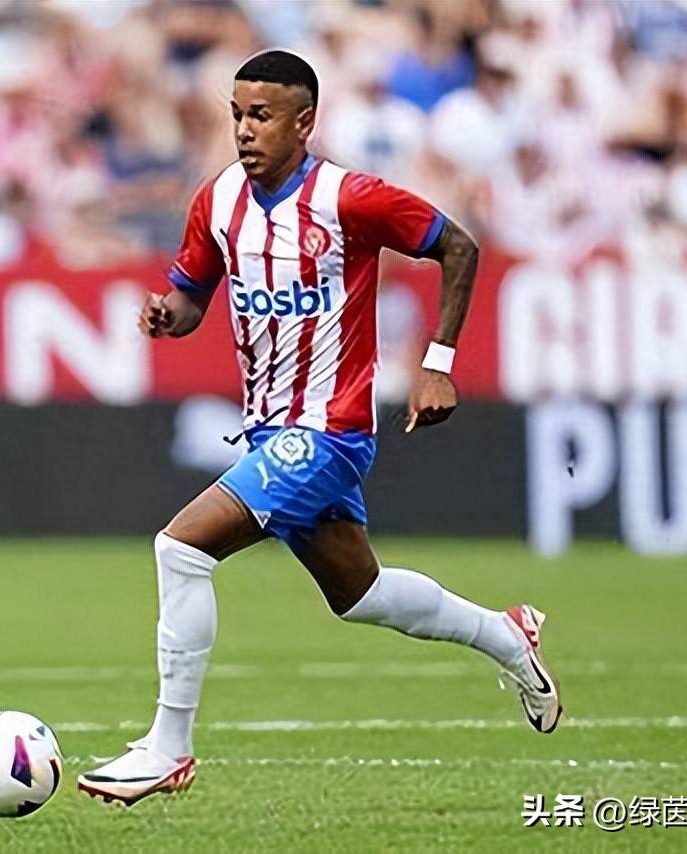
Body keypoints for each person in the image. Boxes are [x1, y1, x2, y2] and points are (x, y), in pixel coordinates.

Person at [77, 50, 561, 807]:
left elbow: (458, 247)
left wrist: (437, 363)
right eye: (237, 115)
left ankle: (167, 748)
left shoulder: (350, 199)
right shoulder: (218, 201)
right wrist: (169, 316)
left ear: (304, 123)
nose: (245, 130)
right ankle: (505, 635)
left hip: (329, 431)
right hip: (268, 433)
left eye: (262, 116)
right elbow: (192, 293)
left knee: (181, 547)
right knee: (361, 594)